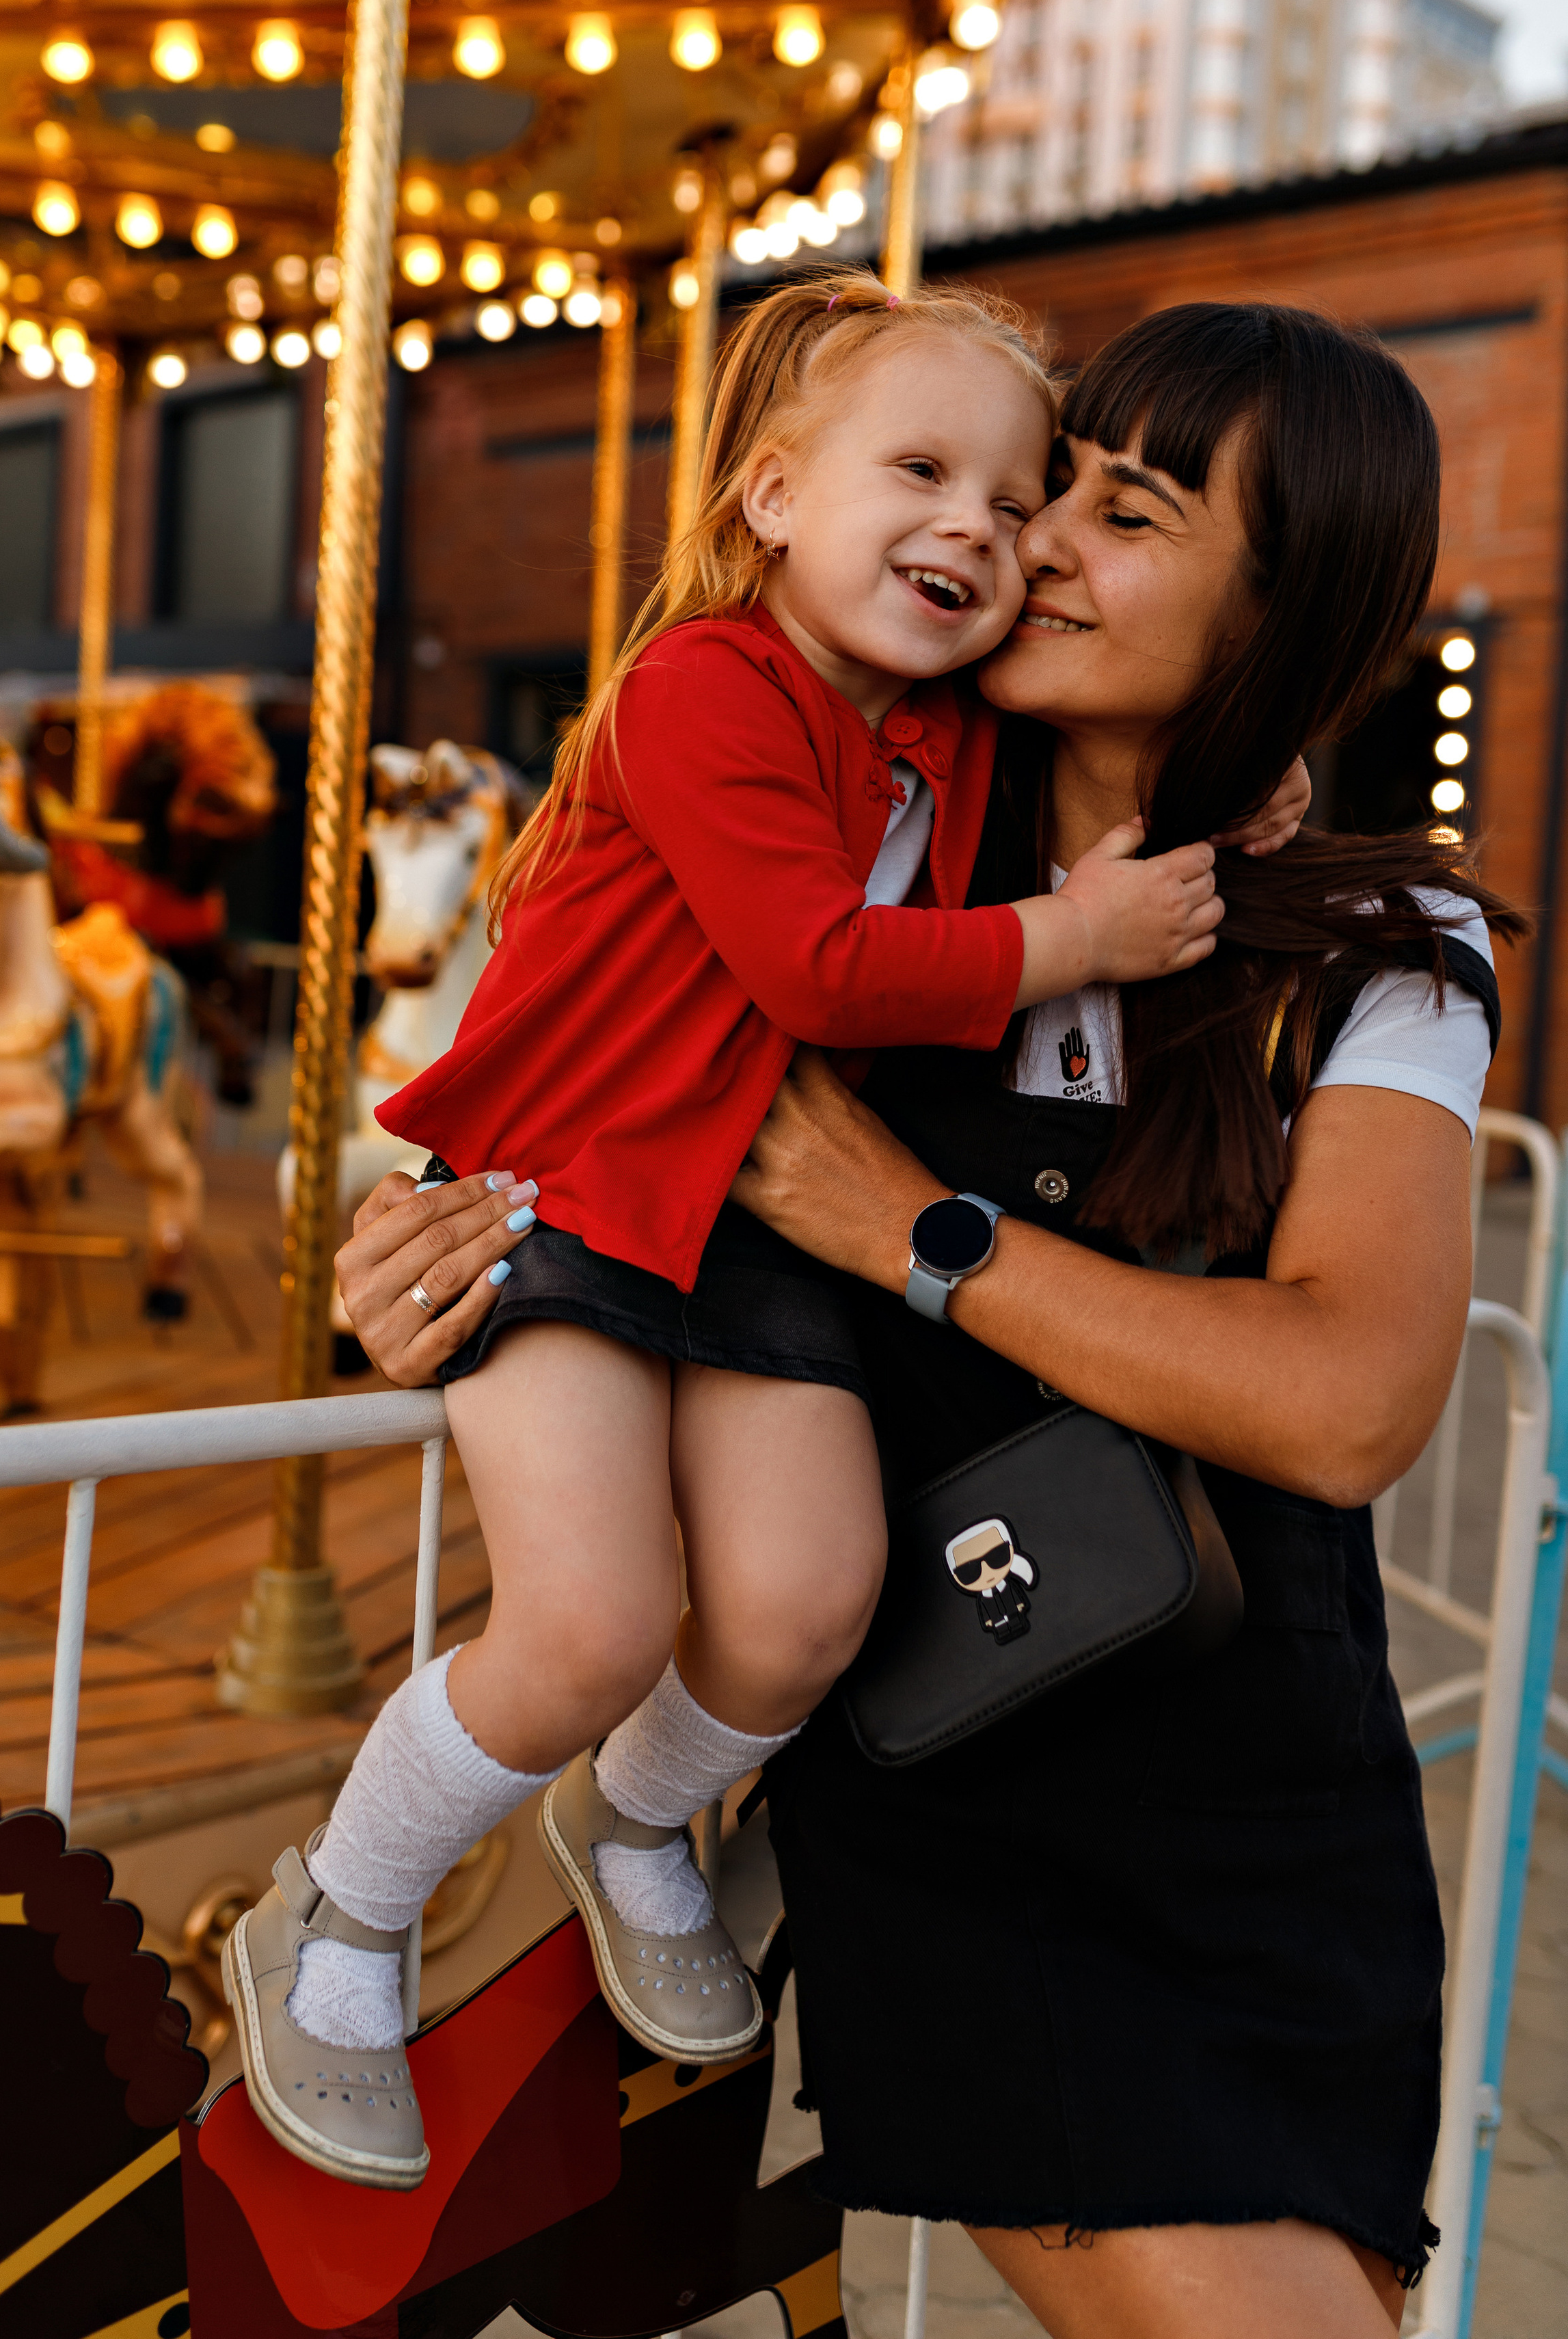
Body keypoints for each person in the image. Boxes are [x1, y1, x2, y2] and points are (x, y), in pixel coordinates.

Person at [223, 273, 1297, 2191]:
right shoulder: (706, 684)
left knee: (804, 1600)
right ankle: (347, 1905)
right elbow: (822, 957)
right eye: (921, 471)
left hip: (748, 1224)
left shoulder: (950, 727)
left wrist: (1255, 771)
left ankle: (635, 1820)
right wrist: (1076, 939)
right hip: (564, 1186)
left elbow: (1104, 773)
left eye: (1011, 494)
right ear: (774, 498)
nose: (972, 524)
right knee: (593, 1613)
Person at [721, 302, 1524, 2338]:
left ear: (1282, 612)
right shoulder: (857, 838)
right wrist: (449, 1254)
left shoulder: (1373, 930)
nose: (1037, 536)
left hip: (1267, 1782)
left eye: (1128, 508)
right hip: (975, 1757)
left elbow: (1349, 1398)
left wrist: (921, 1228)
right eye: (1045, 479)